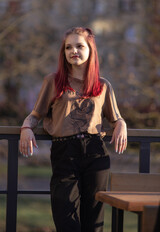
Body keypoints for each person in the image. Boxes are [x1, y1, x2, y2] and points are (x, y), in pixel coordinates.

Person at [19, 27, 127, 232]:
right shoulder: (53, 81)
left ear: (90, 50)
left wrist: (121, 124)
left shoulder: (103, 85)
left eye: (79, 46)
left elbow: (116, 118)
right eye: (68, 47)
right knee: (65, 218)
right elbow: (35, 114)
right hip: (64, 153)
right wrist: (26, 128)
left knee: (94, 221)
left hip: (95, 153)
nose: (73, 51)